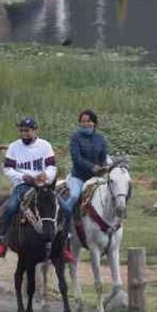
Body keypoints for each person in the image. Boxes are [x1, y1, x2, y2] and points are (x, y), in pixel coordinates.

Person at [0, 118, 57, 258]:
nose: (24, 134)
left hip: (43, 185)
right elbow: (8, 169)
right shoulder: (14, 147)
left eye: (27, 131)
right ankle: (2, 241)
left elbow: (52, 166)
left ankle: (64, 243)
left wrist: (45, 176)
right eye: (21, 131)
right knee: (10, 207)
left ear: (35, 131)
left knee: (63, 207)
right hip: (23, 185)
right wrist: (22, 177)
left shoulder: (45, 146)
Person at [61, 109, 109, 260]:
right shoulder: (75, 138)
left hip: (96, 178)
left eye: (88, 121)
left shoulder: (100, 139)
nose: (85, 124)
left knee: (111, 194)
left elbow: (103, 156)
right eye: (82, 121)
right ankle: (65, 230)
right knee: (74, 196)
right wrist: (91, 167)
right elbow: (76, 159)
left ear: (94, 123)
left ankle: (110, 231)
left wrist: (103, 167)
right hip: (79, 177)